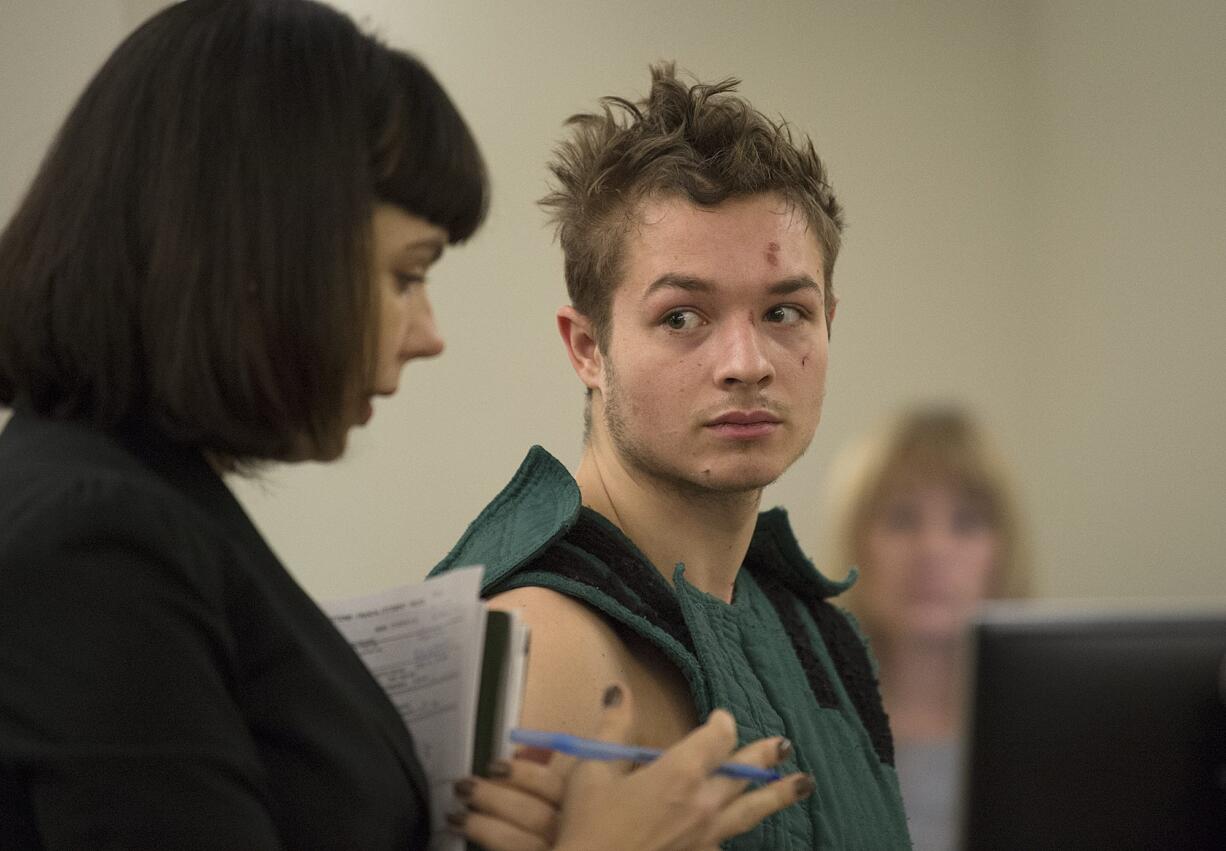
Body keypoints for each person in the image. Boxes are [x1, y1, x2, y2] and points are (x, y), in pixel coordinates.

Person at [0, 2, 809, 848]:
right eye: (403, 276)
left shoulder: (149, 503)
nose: (427, 333)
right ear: (259, 252)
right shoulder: (92, 537)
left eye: (788, 312)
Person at [430, 65, 911, 849]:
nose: (745, 361)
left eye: (785, 311)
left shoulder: (815, 631)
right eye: (683, 316)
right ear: (588, 347)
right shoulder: (538, 643)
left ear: (829, 324)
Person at [822, 405, 1031, 850]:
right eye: (902, 519)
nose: (933, 550)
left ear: (1003, 551)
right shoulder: (807, 726)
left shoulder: (1049, 736)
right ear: (857, 539)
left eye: (966, 522)